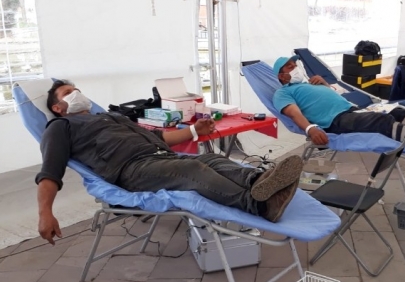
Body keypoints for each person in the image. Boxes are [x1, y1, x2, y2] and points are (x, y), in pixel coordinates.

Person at [36, 80, 303, 244]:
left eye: (77, 90)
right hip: (131, 170)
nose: (77, 93)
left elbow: (160, 137)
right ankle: (259, 205)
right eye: (68, 92)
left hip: (159, 156)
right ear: (57, 107)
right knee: (192, 169)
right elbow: (50, 172)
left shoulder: (112, 117)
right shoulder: (60, 127)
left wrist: (195, 130)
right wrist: (45, 213)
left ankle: (259, 181)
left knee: (210, 158)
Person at [271, 56, 405, 156]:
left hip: (351, 110)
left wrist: (324, 84)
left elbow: (338, 94)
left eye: (295, 65)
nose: (295, 68)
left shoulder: (309, 84)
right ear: (282, 76)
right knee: (381, 121)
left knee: (396, 111)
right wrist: (310, 128)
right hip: (336, 121)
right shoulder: (283, 93)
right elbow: (294, 113)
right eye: (290, 67)